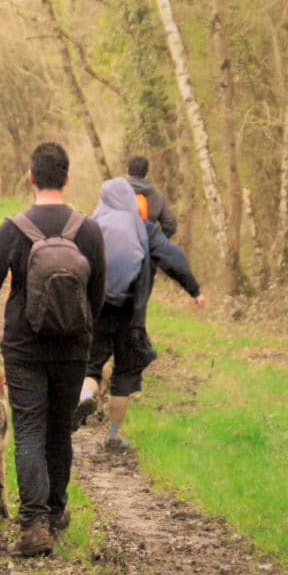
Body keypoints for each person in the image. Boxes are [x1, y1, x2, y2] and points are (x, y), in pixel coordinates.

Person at [0, 142, 107, 557]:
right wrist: (83, 333)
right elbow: (98, 293)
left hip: (24, 346)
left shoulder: (13, 229)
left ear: (31, 177)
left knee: (28, 430)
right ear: (67, 178)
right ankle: (57, 511)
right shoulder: (88, 230)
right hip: (72, 347)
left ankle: (34, 524)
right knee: (60, 429)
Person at [79, 177, 205, 449]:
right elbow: (173, 258)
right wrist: (194, 290)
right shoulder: (145, 230)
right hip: (130, 314)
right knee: (124, 374)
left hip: (96, 311)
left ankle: (84, 398)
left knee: (90, 366)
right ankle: (112, 436)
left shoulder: (89, 227)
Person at [125, 154, 177, 239]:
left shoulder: (115, 192)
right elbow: (170, 224)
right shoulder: (157, 196)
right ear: (146, 174)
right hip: (147, 245)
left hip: (119, 244)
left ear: (127, 171)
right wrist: (155, 241)